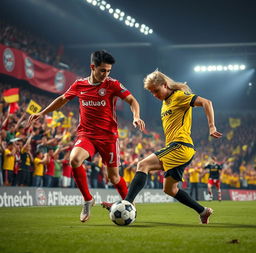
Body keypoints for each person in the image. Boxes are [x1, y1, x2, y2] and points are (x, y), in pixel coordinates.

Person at [27, 50, 145, 222]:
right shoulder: (79, 85)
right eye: (102, 70)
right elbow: (61, 99)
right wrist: (42, 113)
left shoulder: (112, 85)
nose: (106, 75)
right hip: (87, 135)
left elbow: (132, 100)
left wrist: (135, 116)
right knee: (74, 159)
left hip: (108, 137)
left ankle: (129, 205)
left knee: (113, 177)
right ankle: (88, 199)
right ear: (92, 67)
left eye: (108, 71)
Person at [103, 70, 222, 224]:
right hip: (178, 148)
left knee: (142, 164)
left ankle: (126, 203)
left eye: (156, 90)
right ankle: (203, 211)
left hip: (181, 146)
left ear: (165, 85)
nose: (154, 95)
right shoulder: (165, 103)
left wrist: (211, 127)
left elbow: (207, 102)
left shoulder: (179, 96)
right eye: (152, 92)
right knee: (169, 189)